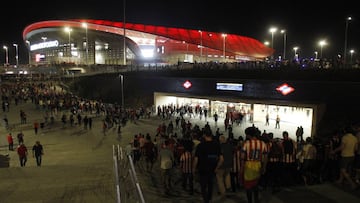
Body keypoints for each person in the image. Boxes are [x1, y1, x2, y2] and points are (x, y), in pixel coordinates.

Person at [193, 132, 224, 203]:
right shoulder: (217, 145)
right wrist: (217, 168)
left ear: (204, 136)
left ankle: (206, 200)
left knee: (203, 186)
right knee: (210, 184)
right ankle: (209, 198)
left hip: (202, 169)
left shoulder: (200, 146)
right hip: (212, 168)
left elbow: (196, 159)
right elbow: (222, 159)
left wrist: (194, 168)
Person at [240, 126, 268, 203]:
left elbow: (242, 158)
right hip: (258, 165)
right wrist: (264, 167)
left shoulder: (246, 144)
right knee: (255, 184)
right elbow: (265, 157)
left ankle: (250, 201)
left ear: (249, 135)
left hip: (249, 165)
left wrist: (242, 168)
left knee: (248, 186)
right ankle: (256, 200)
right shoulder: (262, 144)